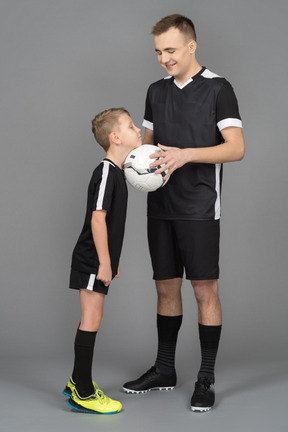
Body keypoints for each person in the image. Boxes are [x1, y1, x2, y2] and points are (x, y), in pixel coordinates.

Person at [123, 14, 245, 412]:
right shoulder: (155, 91)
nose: (164, 59)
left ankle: (206, 377)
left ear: (192, 45)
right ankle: (164, 368)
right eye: (158, 52)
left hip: (199, 205)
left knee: (203, 289)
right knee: (165, 287)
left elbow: (236, 148)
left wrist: (186, 155)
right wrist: (134, 164)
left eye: (171, 50)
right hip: (160, 205)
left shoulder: (218, 89)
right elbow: (146, 145)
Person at [63, 108, 142, 414]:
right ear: (115, 137)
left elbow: (108, 226)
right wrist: (105, 263)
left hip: (98, 259)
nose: (138, 130)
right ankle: (82, 392)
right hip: (91, 259)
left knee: (93, 319)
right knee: (91, 320)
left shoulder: (118, 172)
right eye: (131, 126)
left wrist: (113, 259)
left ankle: (76, 381)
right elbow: (98, 220)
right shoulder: (107, 171)